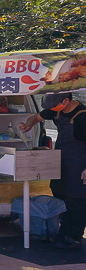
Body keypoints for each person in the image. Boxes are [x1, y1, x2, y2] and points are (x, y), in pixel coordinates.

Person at [20, 93, 86, 250]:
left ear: (66, 101)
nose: (51, 110)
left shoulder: (82, 117)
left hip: (80, 162)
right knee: (59, 195)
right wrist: (30, 124)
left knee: (76, 200)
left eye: (54, 106)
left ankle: (75, 237)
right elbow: (36, 117)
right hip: (61, 160)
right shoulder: (55, 109)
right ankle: (63, 233)